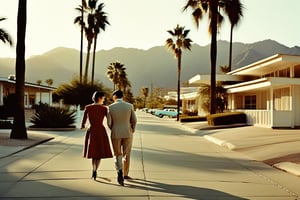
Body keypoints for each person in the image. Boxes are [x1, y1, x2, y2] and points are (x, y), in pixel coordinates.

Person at [107, 90, 137, 186]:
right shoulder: (129, 106)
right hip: (127, 133)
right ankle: (125, 174)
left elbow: (109, 122)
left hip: (115, 133)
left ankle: (119, 171)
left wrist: (113, 128)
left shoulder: (110, 107)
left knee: (117, 154)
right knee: (126, 154)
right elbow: (134, 120)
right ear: (122, 96)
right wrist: (132, 129)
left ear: (115, 96)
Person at [81, 91, 113, 180]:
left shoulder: (88, 108)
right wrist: (111, 127)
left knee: (93, 151)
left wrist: (83, 126)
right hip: (100, 131)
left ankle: (94, 169)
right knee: (99, 152)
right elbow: (109, 121)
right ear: (99, 98)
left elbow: (83, 122)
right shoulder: (104, 108)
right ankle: (95, 170)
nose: (104, 99)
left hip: (91, 130)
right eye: (103, 98)